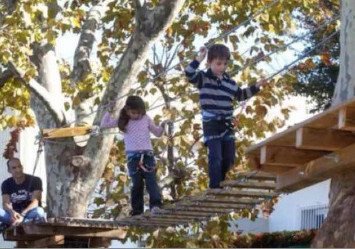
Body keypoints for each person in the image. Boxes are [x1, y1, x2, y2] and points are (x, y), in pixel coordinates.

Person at [184, 44, 266, 188]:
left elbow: (241, 95)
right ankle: (215, 186)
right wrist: (199, 58)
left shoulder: (229, 82)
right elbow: (189, 73)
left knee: (228, 158)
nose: (222, 67)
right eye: (218, 63)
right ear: (209, 63)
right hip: (211, 123)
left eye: (225, 64)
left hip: (227, 123)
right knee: (215, 156)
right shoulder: (203, 78)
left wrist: (257, 86)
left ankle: (223, 182)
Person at [101, 96, 166, 216]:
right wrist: (110, 110)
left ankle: (156, 205)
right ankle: (137, 210)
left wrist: (163, 126)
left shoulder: (146, 119)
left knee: (151, 181)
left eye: (138, 113)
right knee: (137, 184)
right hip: (133, 159)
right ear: (127, 110)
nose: (136, 115)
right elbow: (104, 125)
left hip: (147, 156)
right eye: (133, 113)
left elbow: (157, 133)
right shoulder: (123, 121)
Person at [0, 158, 45, 227]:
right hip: (14, 215)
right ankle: (20, 223)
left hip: (29, 212)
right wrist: (12, 212)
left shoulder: (35, 180)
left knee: (39, 212)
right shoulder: (6, 183)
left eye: (19, 166)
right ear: (9, 170)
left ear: (22, 167)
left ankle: (16, 223)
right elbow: (5, 203)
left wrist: (23, 214)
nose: (18, 170)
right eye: (14, 168)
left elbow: (35, 201)